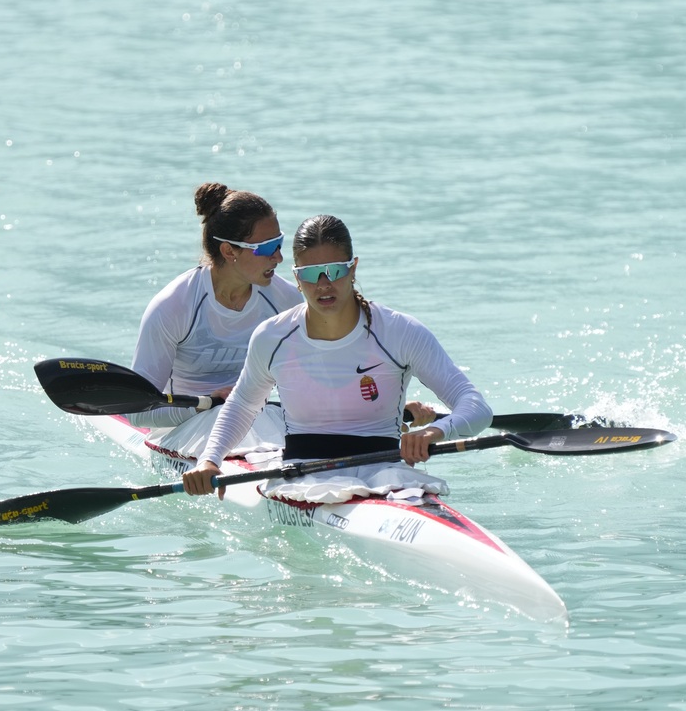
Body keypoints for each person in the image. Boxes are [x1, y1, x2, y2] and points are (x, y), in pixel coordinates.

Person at [182, 214, 492, 503]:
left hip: (386, 475)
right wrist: (209, 460)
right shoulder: (272, 337)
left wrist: (437, 430)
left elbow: (475, 406)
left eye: (335, 271)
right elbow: (242, 406)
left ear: (353, 268)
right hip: (301, 478)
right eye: (310, 274)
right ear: (296, 277)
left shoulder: (399, 332)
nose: (323, 285)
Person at [124, 183, 301, 430]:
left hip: (256, 421)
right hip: (183, 427)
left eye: (279, 243)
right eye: (267, 248)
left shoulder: (287, 302)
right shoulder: (174, 307)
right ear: (229, 251)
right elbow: (137, 412)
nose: (279, 257)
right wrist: (206, 404)